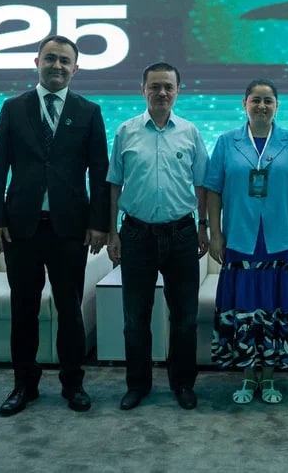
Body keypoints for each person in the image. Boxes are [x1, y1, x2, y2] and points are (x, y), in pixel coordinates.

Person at [0, 34, 109, 417]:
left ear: (76, 68)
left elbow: (99, 173)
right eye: (50, 58)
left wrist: (100, 224)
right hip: (21, 228)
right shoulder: (13, 108)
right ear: (37, 62)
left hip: (70, 230)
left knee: (70, 310)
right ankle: (24, 384)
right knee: (23, 310)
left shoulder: (89, 111)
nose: (57, 66)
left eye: (64, 61)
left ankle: (73, 383)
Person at [205, 79, 288, 405]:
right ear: (245, 104)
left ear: (277, 106)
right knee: (243, 309)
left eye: (268, 100)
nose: (262, 106)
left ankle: (268, 376)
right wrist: (215, 234)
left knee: (276, 309)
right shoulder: (226, 142)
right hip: (240, 240)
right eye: (256, 100)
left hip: (281, 240)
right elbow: (213, 192)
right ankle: (246, 376)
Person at [105, 62, 209, 411]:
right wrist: (112, 231)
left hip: (182, 235)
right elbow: (114, 184)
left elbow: (202, 183)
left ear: (178, 91)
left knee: (185, 318)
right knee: (135, 318)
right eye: (155, 86)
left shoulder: (190, 132)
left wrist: (203, 226)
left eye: (168, 87)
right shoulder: (126, 131)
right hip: (136, 235)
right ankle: (138, 385)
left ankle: (183, 383)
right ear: (143, 90)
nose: (162, 92)